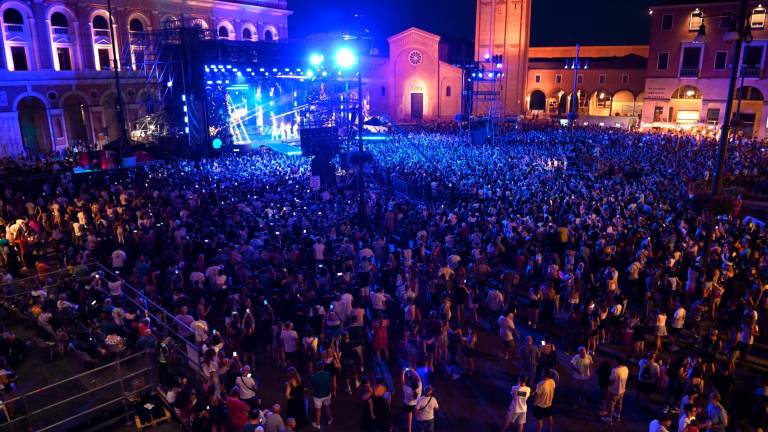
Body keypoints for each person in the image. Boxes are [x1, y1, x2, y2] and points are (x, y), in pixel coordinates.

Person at [602, 356, 628, 424]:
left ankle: (609, 419)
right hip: (622, 390)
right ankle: (617, 415)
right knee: (619, 403)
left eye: (615, 360)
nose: (614, 361)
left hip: (614, 391)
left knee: (611, 405)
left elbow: (611, 381)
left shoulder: (615, 371)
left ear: (617, 361)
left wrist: (607, 386)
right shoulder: (626, 368)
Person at [310, 361, 333, 429]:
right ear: (323, 367)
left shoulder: (313, 377)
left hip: (318, 396)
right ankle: (330, 419)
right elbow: (330, 381)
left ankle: (318, 424)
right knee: (327, 407)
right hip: (327, 394)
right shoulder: (328, 374)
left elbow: (312, 386)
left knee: (318, 410)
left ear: (316, 368)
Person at [402, 367, 422, 432]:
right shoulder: (419, 388)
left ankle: (409, 429)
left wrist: (403, 372)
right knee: (417, 416)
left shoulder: (407, 389)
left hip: (408, 405)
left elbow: (403, 381)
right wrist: (413, 370)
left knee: (409, 416)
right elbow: (419, 378)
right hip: (417, 404)